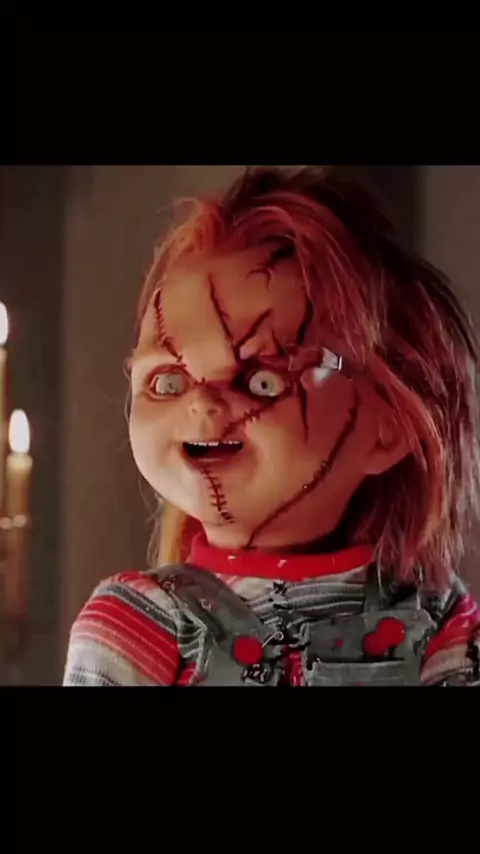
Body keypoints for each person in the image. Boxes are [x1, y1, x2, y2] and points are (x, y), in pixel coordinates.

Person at [63, 166, 480, 686]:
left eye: (262, 381)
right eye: (168, 382)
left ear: (388, 426)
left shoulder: (437, 618)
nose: (202, 406)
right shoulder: (138, 624)